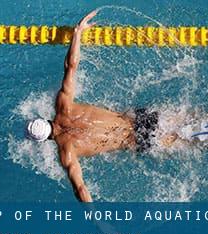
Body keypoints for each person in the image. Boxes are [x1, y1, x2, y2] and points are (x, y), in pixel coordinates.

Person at [26, 11, 178, 202]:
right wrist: (77, 33)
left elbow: (80, 189)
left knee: (196, 141)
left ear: (44, 140)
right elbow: (71, 66)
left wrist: (100, 223)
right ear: (44, 119)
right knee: (194, 118)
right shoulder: (63, 105)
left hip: (139, 140)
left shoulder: (67, 152)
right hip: (140, 118)